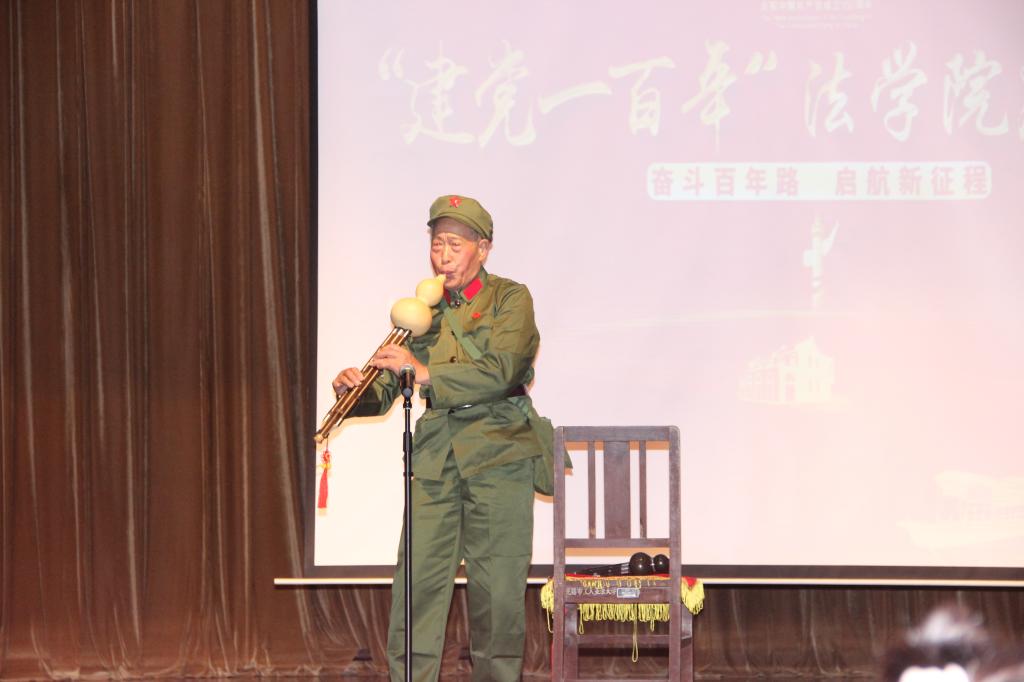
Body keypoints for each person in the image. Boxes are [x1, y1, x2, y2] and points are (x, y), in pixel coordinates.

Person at [333, 194, 548, 682]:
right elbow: (389, 388)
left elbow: (504, 368)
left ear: (483, 249)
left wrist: (426, 372)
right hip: (435, 462)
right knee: (417, 590)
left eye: (455, 244)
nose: (443, 256)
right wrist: (354, 390)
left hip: (499, 451)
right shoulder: (420, 311)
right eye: (437, 244)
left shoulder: (511, 298)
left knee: (497, 594)